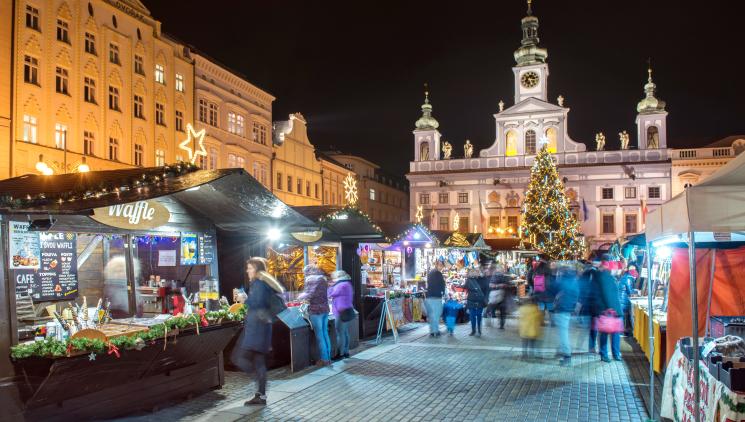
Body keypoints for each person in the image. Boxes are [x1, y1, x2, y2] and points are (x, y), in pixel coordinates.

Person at [234, 257, 285, 406]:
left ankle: (259, 385)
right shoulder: (265, 282)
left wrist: (244, 299)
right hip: (262, 327)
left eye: (250, 268)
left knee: (239, 358)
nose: (248, 271)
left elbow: (257, 303)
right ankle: (261, 395)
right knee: (259, 361)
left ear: (256, 269)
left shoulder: (258, 283)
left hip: (256, 329)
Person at [300, 265, 331, 366]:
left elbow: (309, 293)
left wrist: (299, 297)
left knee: (319, 335)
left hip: (316, 310)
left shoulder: (310, 279)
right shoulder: (323, 279)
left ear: (308, 272)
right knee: (325, 333)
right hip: (325, 309)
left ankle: (324, 359)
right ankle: (328, 357)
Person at [552, 262, 580, 366]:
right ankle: (561, 350)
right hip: (570, 310)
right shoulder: (575, 281)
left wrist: (555, 276)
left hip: (562, 309)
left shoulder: (562, 281)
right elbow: (577, 294)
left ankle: (567, 356)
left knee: (563, 333)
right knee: (563, 332)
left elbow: (553, 288)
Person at [597, 255, 623, 362]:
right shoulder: (604, 276)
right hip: (608, 309)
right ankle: (605, 354)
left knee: (615, 332)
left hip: (613, 308)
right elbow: (606, 293)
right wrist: (610, 308)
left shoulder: (608, 276)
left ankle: (615, 353)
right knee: (605, 332)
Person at [329, 270, 354, 359]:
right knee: (345, 332)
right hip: (347, 310)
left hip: (341, 311)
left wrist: (330, 286)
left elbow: (330, 294)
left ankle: (340, 353)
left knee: (340, 333)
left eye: (334, 277)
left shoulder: (340, 285)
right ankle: (346, 352)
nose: (333, 279)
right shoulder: (347, 284)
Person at [425, 260, 447, 337]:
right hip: (436, 297)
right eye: (441, 265)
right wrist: (442, 293)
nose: (442, 267)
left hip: (430, 296)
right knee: (436, 315)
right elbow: (441, 285)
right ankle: (435, 331)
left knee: (431, 315)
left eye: (442, 265)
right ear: (437, 265)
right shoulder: (438, 273)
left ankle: (432, 331)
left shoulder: (430, 273)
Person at [465, 267, 486, 336]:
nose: (474, 273)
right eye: (472, 272)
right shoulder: (468, 280)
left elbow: (485, 287)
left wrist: (480, 276)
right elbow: (466, 286)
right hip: (471, 300)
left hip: (480, 300)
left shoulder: (481, 279)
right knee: (472, 316)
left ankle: (479, 330)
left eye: (476, 271)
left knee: (479, 315)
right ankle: (473, 330)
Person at [618, 265, 637, 337]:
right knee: (623, 317)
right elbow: (630, 291)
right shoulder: (628, 278)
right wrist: (636, 292)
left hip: (621, 300)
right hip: (623, 301)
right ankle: (621, 334)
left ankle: (621, 332)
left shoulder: (625, 277)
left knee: (622, 317)